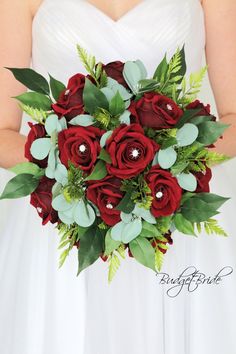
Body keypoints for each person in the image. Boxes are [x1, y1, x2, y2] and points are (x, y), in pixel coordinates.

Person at [0, 0, 235, 353]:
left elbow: (232, 116)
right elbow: (2, 130)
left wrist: (163, 169)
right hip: (66, 220)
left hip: (176, 216)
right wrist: (77, 172)